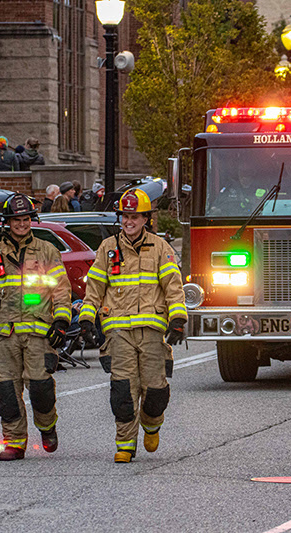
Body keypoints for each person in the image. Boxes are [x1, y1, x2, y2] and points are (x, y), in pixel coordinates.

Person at [77, 188, 187, 463]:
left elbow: (173, 287)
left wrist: (178, 319)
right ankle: (125, 444)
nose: (129, 221)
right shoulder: (108, 248)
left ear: (145, 219)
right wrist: (87, 317)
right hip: (118, 332)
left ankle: (151, 424)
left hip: (151, 331)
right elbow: (95, 287)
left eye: (134, 217)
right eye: (125, 216)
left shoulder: (161, 248)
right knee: (123, 389)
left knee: (155, 391)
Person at [0, 194, 72, 461]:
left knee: (41, 390)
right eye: (16, 220)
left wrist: (60, 321)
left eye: (25, 219)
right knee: (7, 392)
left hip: (38, 333)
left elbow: (61, 289)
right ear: (7, 222)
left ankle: (47, 428)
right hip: (5, 335)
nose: (21, 224)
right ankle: (14, 442)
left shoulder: (47, 251)